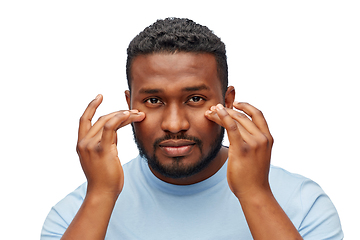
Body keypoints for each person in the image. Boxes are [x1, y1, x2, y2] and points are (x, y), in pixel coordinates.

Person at [41, 18, 343, 240]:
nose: (175, 124)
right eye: (154, 100)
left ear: (227, 102)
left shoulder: (302, 204)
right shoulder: (74, 215)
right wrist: (101, 195)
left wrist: (255, 193)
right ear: (129, 104)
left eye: (195, 99)